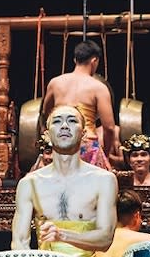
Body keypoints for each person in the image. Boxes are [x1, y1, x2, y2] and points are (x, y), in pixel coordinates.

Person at [11, 104, 118, 257]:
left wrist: (62, 235)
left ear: (83, 133)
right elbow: (19, 243)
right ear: (47, 135)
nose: (65, 126)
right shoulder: (29, 183)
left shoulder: (104, 180)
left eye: (72, 121)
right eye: (57, 121)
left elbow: (105, 239)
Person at [40, 39, 119, 170]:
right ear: (94, 61)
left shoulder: (55, 83)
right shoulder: (98, 87)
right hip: (86, 144)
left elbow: (45, 113)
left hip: (60, 142)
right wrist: (105, 153)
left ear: (75, 60)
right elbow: (109, 127)